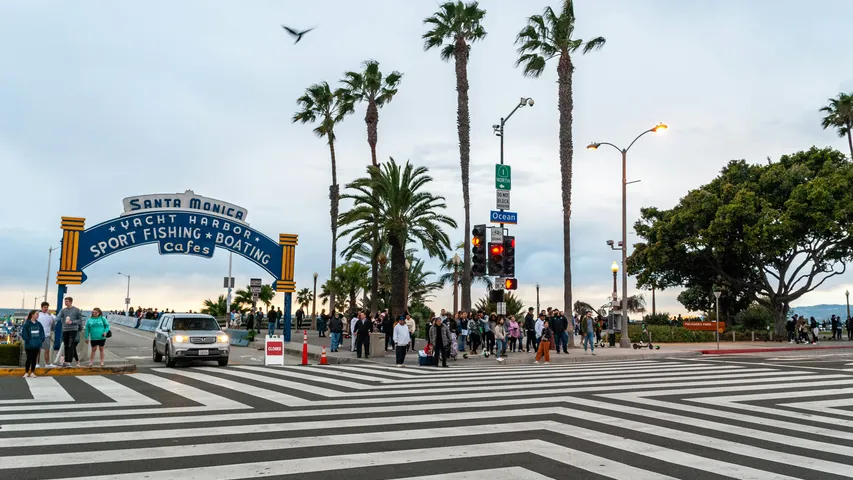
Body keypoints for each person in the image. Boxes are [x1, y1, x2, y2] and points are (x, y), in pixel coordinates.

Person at [57, 296, 84, 367]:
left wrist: (72, 322)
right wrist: (52, 319)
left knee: (70, 345)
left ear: (71, 302)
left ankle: (69, 361)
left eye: (67, 301)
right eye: (65, 301)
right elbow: (58, 317)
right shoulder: (63, 310)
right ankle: (66, 361)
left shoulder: (76, 310)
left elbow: (80, 321)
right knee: (66, 345)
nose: (65, 303)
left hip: (73, 329)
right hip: (65, 329)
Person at [21, 310, 45, 378]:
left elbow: (42, 333)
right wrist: (28, 341)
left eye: (38, 314)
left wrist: (41, 341)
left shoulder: (39, 324)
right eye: (36, 314)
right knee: (29, 358)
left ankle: (32, 372)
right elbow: (24, 334)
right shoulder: (27, 324)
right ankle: (26, 372)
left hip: (37, 345)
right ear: (32, 315)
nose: (37, 315)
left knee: (34, 359)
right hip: (29, 345)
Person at [35, 302, 55, 368]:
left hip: (46, 335)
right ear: (42, 307)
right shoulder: (38, 315)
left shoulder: (49, 315)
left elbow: (55, 320)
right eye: (44, 307)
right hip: (39, 335)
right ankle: (37, 363)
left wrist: (51, 314)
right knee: (38, 350)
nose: (46, 309)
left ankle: (47, 363)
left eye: (47, 307)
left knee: (47, 350)